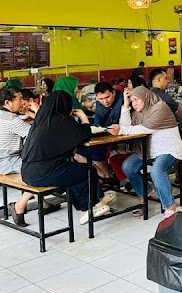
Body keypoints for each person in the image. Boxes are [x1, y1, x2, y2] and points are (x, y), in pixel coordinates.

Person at [21, 91, 110, 225]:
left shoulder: (41, 120)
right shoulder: (61, 120)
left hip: (27, 172)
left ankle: (96, 201)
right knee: (87, 170)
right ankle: (87, 209)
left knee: (73, 171)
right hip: (43, 173)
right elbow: (85, 134)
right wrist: (83, 117)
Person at [108, 86, 182, 219]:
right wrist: (125, 106)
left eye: (137, 100)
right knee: (128, 167)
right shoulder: (138, 113)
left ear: (146, 97)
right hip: (148, 151)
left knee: (156, 170)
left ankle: (170, 206)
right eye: (132, 101)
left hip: (168, 149)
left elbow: (145, 129)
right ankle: (147, 193)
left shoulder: (160, 108)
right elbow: (126, 126)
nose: (134, 103)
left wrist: (121, 130)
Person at [0, 87, 59, 226]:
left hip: (5, 158)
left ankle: (43, 204)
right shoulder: (12, 120)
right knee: (42, 170)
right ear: (8, 103)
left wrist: (26, 114)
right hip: (6, 161)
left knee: (32, 165)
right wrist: (36, 111)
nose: (23, 102)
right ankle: (19, 206)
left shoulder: (6, 116)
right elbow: (40, 135)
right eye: (20, 99)